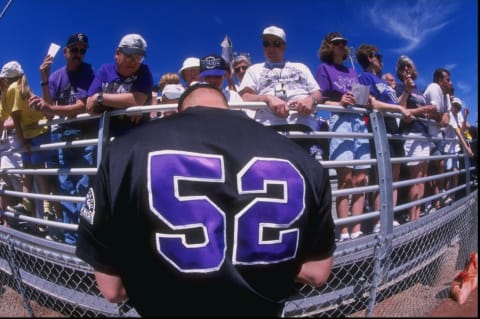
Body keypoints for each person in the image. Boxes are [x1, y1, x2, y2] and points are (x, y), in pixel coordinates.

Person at [75, 82, 336, 317]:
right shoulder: (302, 160)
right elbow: (317, 272)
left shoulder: (124, 150)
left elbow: (112, 290)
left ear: (180, 111)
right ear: (227, 106)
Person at [28, 32, 96, 243]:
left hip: (84, 134)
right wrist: (45, 79)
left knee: (84, 187)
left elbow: (81, 106)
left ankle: (83, 237)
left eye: (82, 50)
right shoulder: (56, 76)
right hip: (62, 136)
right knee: (65, 187)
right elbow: (49, 111)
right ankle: (70, 240)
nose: (78, 54)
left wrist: (50, 107)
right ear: (65, 52)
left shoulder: (88, 71)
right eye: (74, 49)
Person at [315, 32, 369, 241]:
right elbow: (320, 99)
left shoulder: (352, 71)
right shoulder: (324, 69)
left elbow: (362, 99)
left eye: (344, 43)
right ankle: (344, 230)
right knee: (345, 179)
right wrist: (339, 103)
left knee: (361, 178)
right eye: (337, 43)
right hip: (340, 121)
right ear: (329, 45)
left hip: (358, 122)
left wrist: (361, 99)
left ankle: (357, 229)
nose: (341, 46)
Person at [355, 44, 412, 231]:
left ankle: (391, 215)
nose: (381, 60)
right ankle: (380, 221)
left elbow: (398, 104)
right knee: (382, 176)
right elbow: (369, 103)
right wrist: (398, 108)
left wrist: (407, 92)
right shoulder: (363, 77)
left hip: (393, 127)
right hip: (379, 127)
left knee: (394, 175)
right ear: (370, 58)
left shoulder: (384, 83)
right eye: (378, 56)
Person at [239, 25, 322, 134]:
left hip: (303, 126)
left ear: (284, 46)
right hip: (268, 128)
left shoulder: (301, 67)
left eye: (276, 44)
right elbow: (246, 97)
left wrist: (310, 100)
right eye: (266, 44)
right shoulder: (253, 69)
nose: (271, 48)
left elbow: (318, 94)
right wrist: (267, 98)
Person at [0, 61, 55, 225]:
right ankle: (27, 203)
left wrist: (22, 142)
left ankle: (46, 207)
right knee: (28, 170)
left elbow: (15, 118)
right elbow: (2, 118)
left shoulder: (14, 89)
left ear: (6, 79)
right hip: (31, 133)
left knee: (37, 170)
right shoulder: (11, 92)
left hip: (38, 131)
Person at [395, 55, 437, 221]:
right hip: (411, 134)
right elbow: (401, 109)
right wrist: (406, 90)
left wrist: (426, 110)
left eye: (408, 66)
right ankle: (413, 220)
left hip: (424, 133)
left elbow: (424, 110)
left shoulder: (419, 90)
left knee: (422, 178)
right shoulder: (400, 87)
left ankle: (417, 216)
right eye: (403, 67)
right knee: (416, 178)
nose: (406, 69)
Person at [86, 33, 153, 137]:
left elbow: (137, 100)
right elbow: (90, 105)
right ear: (117, 53)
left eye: (138, 58)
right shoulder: (105, 70)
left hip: (136, 136)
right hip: (106, 136)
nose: (134, 62)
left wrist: (100, 98)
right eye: (129, 56)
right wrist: (129, 105)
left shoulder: (144, 71)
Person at [423, 68, 452, 212]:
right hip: (428, 135)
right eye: (447, 79)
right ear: (440, 80)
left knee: (437, 168)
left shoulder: (445, 95)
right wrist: (441, 116)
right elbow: (435, 113)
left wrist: (441, 116)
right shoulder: (434, 87)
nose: (450, 82)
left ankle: (436, 199)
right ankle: (433, 199)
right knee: (434, 167)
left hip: (438, 136)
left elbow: (445, 118)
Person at [443, 97, 473, 201]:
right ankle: (448, 194)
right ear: (451, 105)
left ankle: (453, 194)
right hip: (447, 147)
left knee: (455, 172)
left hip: (455, 147)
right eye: (455, 105)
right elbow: (458, 133)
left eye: (458, 107)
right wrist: (467, 148)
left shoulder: (456, 116)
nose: (456, 108)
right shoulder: (449, 114)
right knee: (448, 173)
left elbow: (463, 129)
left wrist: (465, 117)